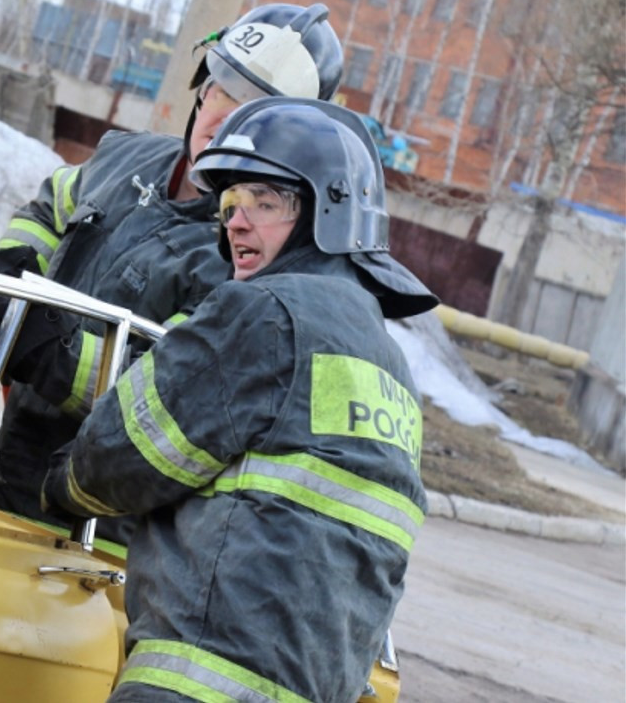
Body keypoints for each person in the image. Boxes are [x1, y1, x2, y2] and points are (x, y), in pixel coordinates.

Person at [40, 97, 438, 702]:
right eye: (229, 204)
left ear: (324, 215)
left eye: (265, 202)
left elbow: (121, 456)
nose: (237, 222)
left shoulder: (265, 313)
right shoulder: (389, 364)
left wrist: (61, 487)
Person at [0, 3, 345, 537]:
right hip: (4, 475)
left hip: (102, 532)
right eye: (223, 90)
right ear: (202, 88)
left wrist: (48, 348)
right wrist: (13, 263)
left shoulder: (252, 249)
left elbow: (171, 390)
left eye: (254, 112)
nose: (224, 118)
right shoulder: (125, 156)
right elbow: (53, 205)